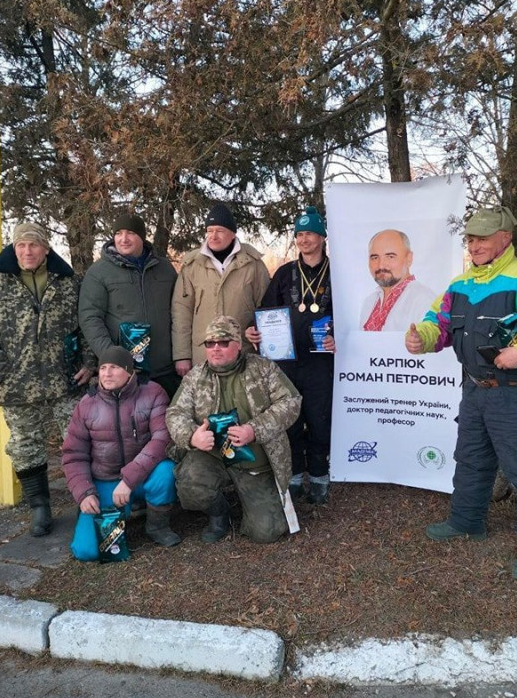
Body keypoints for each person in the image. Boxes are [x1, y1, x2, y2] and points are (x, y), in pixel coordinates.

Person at [405, 206, 517, 585]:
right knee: (471, 459)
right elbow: (438, 322)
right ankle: (467, 521)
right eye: (470, 238)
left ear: (505, 238)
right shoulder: (460, 285)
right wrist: (423, 338)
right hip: (474, 390)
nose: (475, 245)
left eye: (483, 238)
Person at [0, 222, 94, 537]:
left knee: (80, 440)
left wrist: (89, 363)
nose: (27, 251)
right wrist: (1, 370)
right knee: (25, 446)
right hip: (18, 386)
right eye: (21, 245)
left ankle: (86, 499)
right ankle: (40, 505)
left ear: (46, 249)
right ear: (14, 249)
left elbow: (87, 325)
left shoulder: (69, 284)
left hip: (66, 381)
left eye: (34, 245)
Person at [166, 316, 301, 544]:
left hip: (255, 462)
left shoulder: (264, 368)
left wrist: (253, 430)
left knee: (267, 532)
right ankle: (219, 513)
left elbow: (291, 401)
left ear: (238, 345)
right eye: (210, 343)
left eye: (223, 342)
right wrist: (192, 436)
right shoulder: (195, 377)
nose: (215, 348)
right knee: (190, 486)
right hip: (213, 456)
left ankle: (249, 507)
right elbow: (175, 413)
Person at [245, 206, 335, 504]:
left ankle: (319, 475)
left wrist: (338, 337)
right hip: (287, 362)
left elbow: (350, 316)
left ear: (322, 237)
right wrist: (254, 331)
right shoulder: (285, 273)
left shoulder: (337, 273)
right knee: (291, 420)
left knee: (320, 418)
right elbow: (266, 312)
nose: (304, 239)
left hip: (322, 361)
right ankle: (294, 474)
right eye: (299, 234)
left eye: (310, 233)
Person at [62, 346, 179, 560]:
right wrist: (84, 492)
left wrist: (128, 479)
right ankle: (116, 514)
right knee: (87, 551)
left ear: (130, 371)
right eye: (103, 368)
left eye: (114, 367)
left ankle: (157, 526)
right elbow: (73, 455)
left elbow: (162, 439)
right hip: (106, 480)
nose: (107, 373)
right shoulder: (86, 405)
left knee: (166, 471)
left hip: (143, 476)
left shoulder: (152, 392)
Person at [78, 213, 180, 399]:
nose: (123, 239)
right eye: (118, 233)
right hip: (126, 374)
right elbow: (90, 318)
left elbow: (180, 312)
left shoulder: (164, 268)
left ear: (142, 237)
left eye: (131, 233)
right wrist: (112, 358)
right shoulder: (98, 272)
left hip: (166, 370)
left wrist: (181, 355)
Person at [172, 203, 270, 376]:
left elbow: (266, 307)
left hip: (243, 353)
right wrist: (182, 356)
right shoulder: (192, 265)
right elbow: (181, 312)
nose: (213, 236)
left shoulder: (253, 264)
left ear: (232, 234)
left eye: (220, 231)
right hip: (203, 354)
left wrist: (254, 330)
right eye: (209, 231)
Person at [360, 229, 435, 331]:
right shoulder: (369, 302)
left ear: (409, 258)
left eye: (390, 257)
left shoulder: (423, 300)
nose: (381, 265)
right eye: (375, 258)